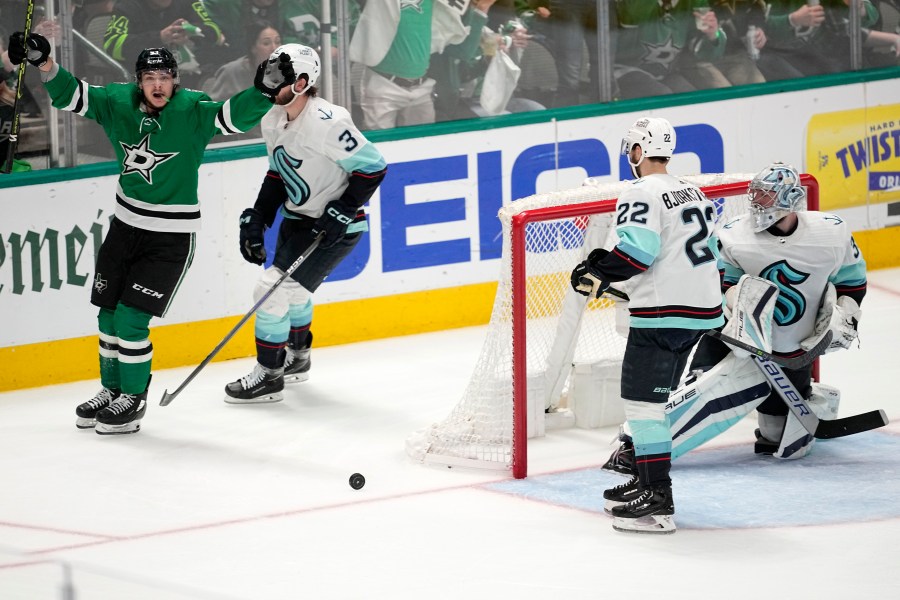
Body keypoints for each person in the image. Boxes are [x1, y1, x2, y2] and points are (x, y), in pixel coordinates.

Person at [6, 30, 295, 433]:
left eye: (165, 77)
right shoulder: (117, 101)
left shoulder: (191, 109)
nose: (158, 85)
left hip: (170, 238)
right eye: (149, 78)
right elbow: (73, 95)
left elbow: (232, 117)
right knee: (107, 315)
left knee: (130, 319)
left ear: (175, 80)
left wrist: (263, 91)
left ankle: (134, 398)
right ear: (139, 81)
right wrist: (44, 63)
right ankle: (112, 390)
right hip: (125, 226)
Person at [604, 163, 867, 473]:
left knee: (776, 439)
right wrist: (737, 310)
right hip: (734, 339)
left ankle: (812, 399)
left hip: (792, 351)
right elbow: (718, 279)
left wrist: (847, 313)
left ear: (792, 198)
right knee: (702, 387)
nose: (758, 203)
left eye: (767, 197)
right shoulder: (734, 234)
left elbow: (853, 280)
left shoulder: (832, 232)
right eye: (755, 195)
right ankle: (640, 449)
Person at [569, 117, 724, 534]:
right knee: (654, 403)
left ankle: (657, 500)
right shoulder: (691, 190)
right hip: (700, 312)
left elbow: (637, 253)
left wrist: (598, 269)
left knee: (642, 405)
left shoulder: (640, 190)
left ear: (639, 151)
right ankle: (644, 479)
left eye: (630, 150)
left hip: (663, 314)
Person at [224, 43, 387, 403]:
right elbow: (278, 173)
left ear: (301, 83)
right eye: (267, 73)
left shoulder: (328, 122)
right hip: (297, 221)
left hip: (334, 228)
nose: (267, 84)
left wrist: (342, 209)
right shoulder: (272, 118)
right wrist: (258, 216)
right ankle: (297, 358)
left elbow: (373, 167)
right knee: (293, 292)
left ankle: (269, 374)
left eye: (276, 77)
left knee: (269, 290)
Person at [348, 0, 493, 130]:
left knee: (423, 146)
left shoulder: (443, 4)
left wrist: (481, 10)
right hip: (383, 84)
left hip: (421, 87)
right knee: (380, 151)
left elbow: (463, 50)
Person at [102, 0, 229, 88]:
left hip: (190, 75)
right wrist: (160, 37)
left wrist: (191, 31)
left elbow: (215, 31)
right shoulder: (127, 6)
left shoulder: (188, 2)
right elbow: (111, 45)